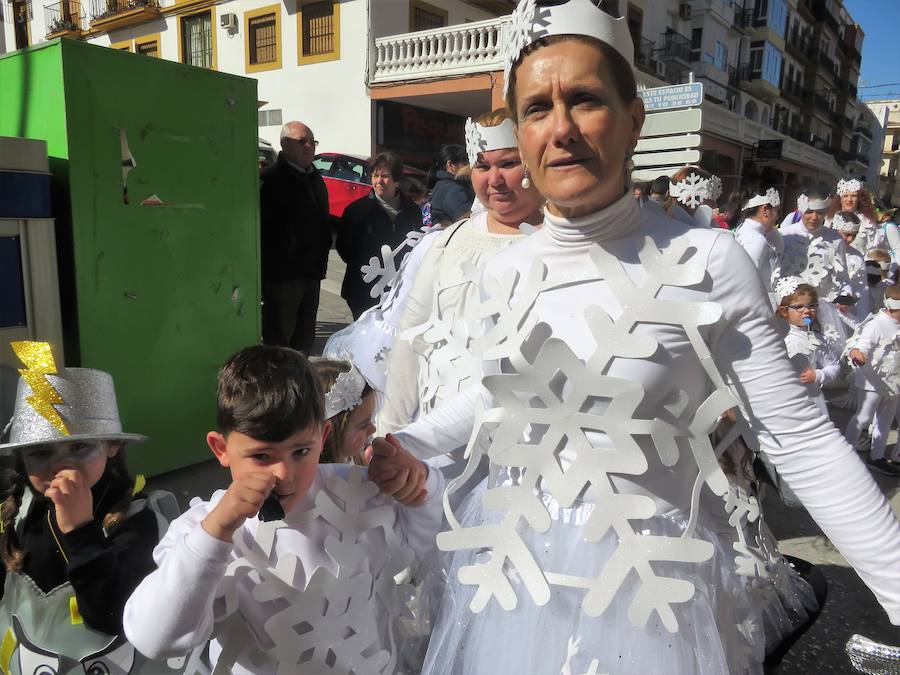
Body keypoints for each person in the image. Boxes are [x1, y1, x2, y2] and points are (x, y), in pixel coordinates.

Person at [366, 2, 900, 672]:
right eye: (536, 108)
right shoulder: (506, 267)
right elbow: (496, 396)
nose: (560, 129)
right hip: (515, 590)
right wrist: (409, 440)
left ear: (633, 118)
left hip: (650, 600)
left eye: (584, 99)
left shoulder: (705, 260)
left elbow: (801, 440)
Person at [123, 344, 444, 673]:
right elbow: (155, 638)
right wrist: (216, 532)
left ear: (324, 435)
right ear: (221, 449)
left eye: (301, 451)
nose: (283, 473)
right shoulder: (203, 529)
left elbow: (424, 546)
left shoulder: (357, 491)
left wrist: (419, 487)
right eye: (262, 456)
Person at [0, 341, 182, 672]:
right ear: (22, 461)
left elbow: (114, 616)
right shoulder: (21, 511)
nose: (61, 468)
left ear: (112, 445)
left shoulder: (135, 519)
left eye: (79, 447)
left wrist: (81, 530)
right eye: (41, 453)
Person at [380, 108, 544, 434]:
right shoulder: (446, 243)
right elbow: (411, 339)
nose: (494, 179)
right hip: (438, 437)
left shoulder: (563, 243)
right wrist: (391, 431)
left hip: (527, 438)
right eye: (483, 165)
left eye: (508, 164)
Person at [260, 121, 331, 353]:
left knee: (304, 343)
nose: (309, 146)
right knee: (280, 345)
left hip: (312, 275)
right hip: (283, 278)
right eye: (302, 141)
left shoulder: (317, 180)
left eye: (312, 141)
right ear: (284, 144)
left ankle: (300, 387)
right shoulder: (269, 180)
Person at [336, 152, 424, 319]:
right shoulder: (357, 211)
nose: (379, 181)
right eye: (375, 175)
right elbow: (344, 248)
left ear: (397, 181)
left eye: (385, 176)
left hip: (399, 289)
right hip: (363, 289)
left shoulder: (412, 211)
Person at [843, 284, 900, 477]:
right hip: (872, 382)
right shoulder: (876, 324)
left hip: (893, 382)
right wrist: (858, 353)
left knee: (885, 420)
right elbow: (861, 346)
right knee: (864, 417)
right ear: (892, 307)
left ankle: (877, 456)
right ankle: (846, 454)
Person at [775, 278, 840, 415]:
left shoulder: (818, 339)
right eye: (799, 307)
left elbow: (834, 365)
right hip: (786, 402)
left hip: (813, 400)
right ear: (784, 311)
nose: (807, 311)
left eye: (811, 306)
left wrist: (818, 375)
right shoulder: (779, 340)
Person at [312, 358, 376, 465]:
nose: (373, 429)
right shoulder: (322, 479)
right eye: (363, 425)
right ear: (329, 433)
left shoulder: (355, 459)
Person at [733, 185, 784, 306]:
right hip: (757, 306)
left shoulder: (744, 229)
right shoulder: (756, 239)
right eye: (776, 210)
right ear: (765, 210)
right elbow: (745, 282)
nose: (777, 216)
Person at [427, 145, 475, 225]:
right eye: (465, 163)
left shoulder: (441, 185)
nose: (469, 167)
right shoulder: (452, 189)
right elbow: (468, 221)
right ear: (450, 165)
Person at [833, 178, 880, 256]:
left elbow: (872, 249)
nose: (849, 199)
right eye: (845, 196)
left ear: (859, 199)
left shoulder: (867, 222)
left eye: (853, 196)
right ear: (840, 198)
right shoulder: (831, 218)